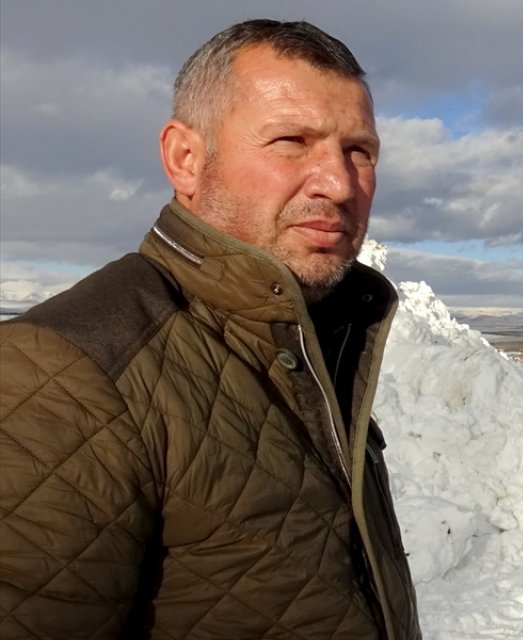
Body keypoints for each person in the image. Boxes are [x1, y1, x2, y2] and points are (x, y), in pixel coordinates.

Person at [0, 20, 421, 639]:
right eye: (291, 140)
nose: (338, 182)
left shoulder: (319, 333)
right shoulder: (70, 372)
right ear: (186, 160)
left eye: (359, 151)